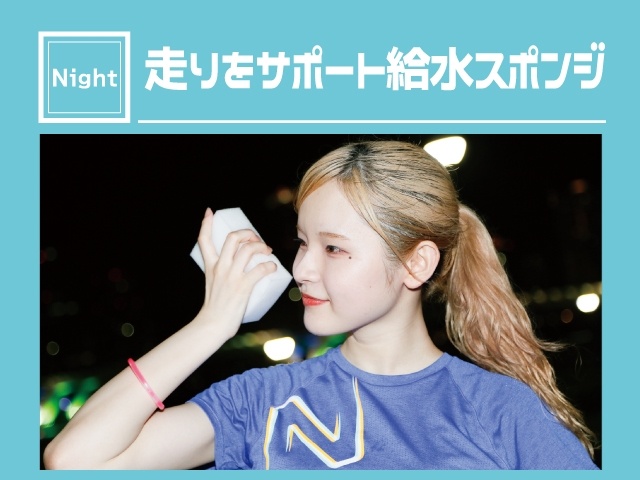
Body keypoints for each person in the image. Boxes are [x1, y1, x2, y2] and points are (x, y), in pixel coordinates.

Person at [43, 140, 598, 470]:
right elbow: (73, 461)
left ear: (417, 264)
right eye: (303, 243)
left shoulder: (500, 410)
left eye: (333, 248)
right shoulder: (262, 401)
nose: (303, 268)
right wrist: (211, 324)